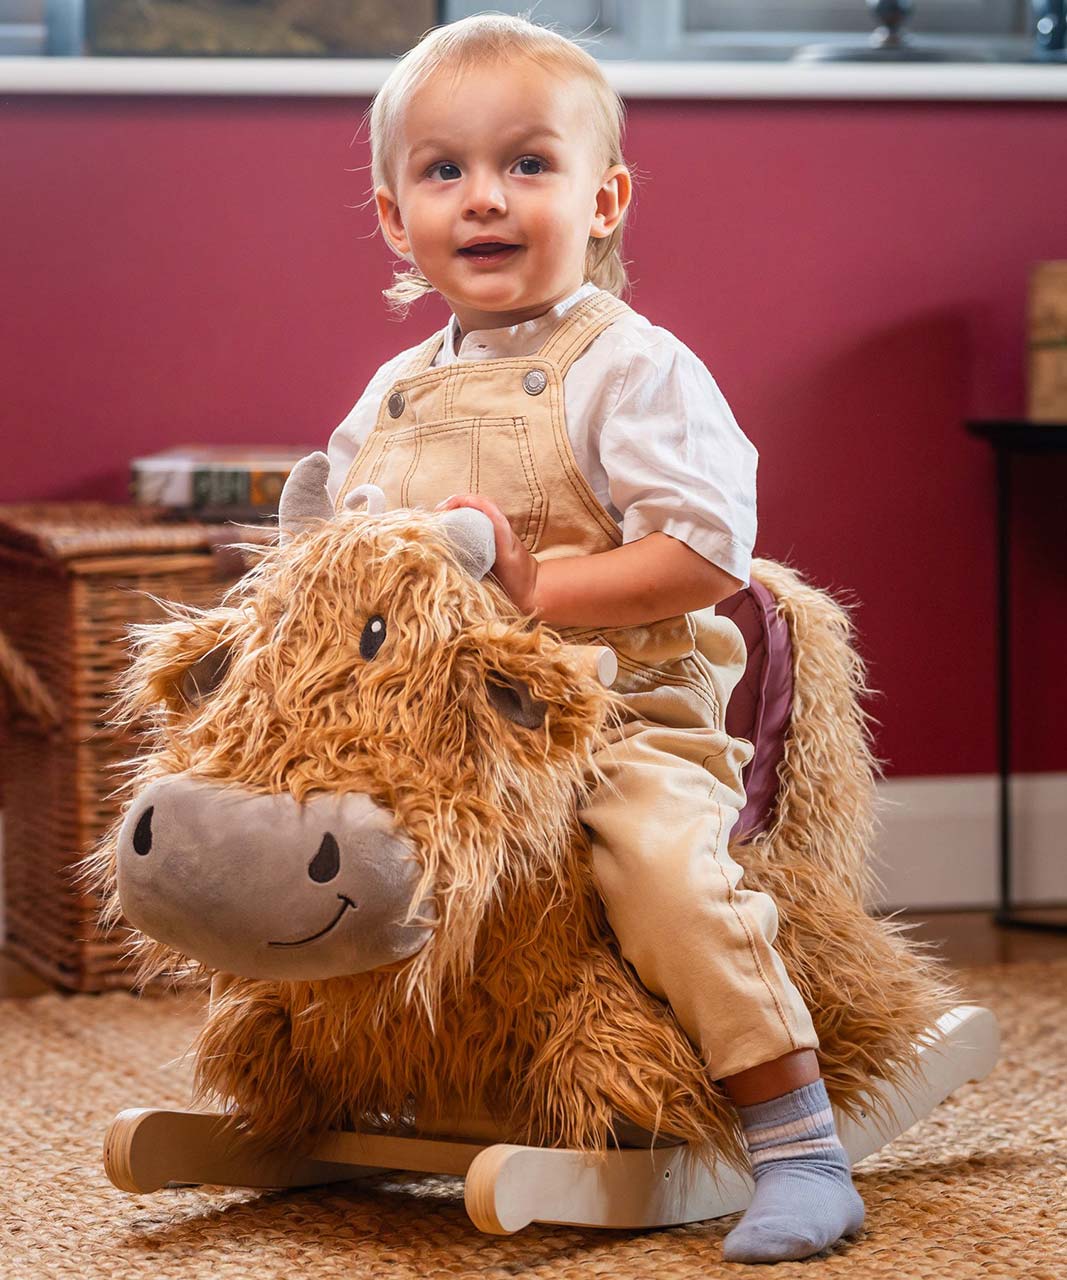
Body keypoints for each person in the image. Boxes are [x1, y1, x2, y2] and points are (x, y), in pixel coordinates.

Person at [325, 13, 864, 1264]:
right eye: (443, 170)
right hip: (441, 725)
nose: (484, 198)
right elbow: (347, 556)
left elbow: (705, 551)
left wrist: (538, 587)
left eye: (527, 163)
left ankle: (795, 1137)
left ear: (603, 197)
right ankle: (331, 1074)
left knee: (662, 866)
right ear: (396, 218)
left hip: (618, 708)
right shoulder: (393, 394)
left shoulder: (631, 368)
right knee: (297, 831)